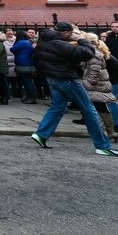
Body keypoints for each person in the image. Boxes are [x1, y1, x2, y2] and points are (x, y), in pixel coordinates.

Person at [30, 22, 118, 156]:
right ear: (65, 32)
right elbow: (86, 54)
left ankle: (41, 134)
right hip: (68, 79)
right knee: (89, 110)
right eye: (71, 33)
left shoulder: (44, 41)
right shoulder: (60, 43)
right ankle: (102, 146)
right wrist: (83, 40)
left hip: (52, 78)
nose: (72, 35)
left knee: (57, 107)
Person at [10, 30, 37, 104]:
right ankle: (30, 96)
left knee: (27, 81)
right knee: (28, 81)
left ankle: (31, 97)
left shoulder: (21, 42)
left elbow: (12, 49)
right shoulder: (27, 41)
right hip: (28, 63)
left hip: (23, 64)